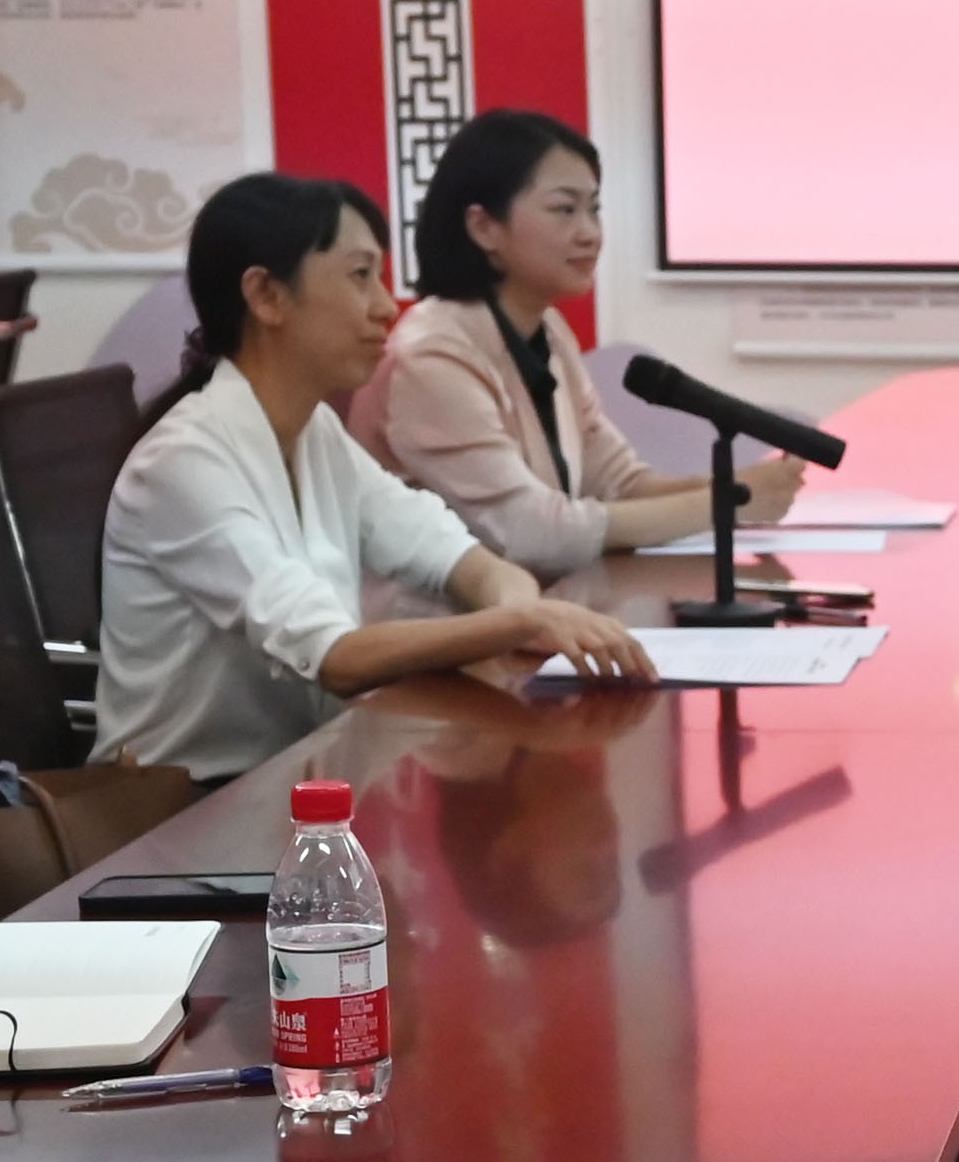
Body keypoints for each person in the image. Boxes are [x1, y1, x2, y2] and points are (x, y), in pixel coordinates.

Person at [102, 172, 656, 781]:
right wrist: (521, 621)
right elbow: (335, 658)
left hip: (296, 776)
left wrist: (514, 607)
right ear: (267, 295)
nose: (387, 307)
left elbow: (455, 556)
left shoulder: (315, 432)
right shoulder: (183, 462)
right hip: (187, 806)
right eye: (360, 275)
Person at [368, 109, 790, 568]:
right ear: (484, 227)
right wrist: (725, 503)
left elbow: (618, 484)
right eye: (564, 210)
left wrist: (734, 488)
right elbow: (530, 531)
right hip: (435, 612)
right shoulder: (431, 357)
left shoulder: (548, 330)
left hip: (541, 601)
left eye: (594, 209)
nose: (590, 234)